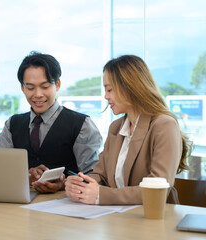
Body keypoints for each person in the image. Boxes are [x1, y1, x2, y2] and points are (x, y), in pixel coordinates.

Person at [65, 55, 191, 205]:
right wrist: (82, 184)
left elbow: (158, 189)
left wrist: (102, 195)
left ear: (130, 88)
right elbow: (101, 175)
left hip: (153, 219)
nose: (106, 96)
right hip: (117, 219)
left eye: (110, 89)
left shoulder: (164, 125)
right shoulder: (116, 127)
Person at [0, 51, 102, 193]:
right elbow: (0, 172)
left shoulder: (82, 124)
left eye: (45, 87)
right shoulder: (12, 125)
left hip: (65, 206)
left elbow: (92, 176)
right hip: (19, 205)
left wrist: (63, 184)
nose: (38, 94)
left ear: (57, 84)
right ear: (22, 88)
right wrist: (26, 176)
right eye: (30, 88)